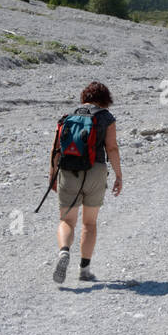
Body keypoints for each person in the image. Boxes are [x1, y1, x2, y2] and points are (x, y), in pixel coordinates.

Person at [49, 81, 121, 283]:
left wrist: (52, 174)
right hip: (95, 172)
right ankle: (85, 269)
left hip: (68, 171)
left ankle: (64, 251)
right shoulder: (106, 117)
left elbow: (55, 148)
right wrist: (118, 175)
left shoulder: (68, 116)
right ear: (105, 99)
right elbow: (112, 148)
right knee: (89, 223)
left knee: (66, 220)